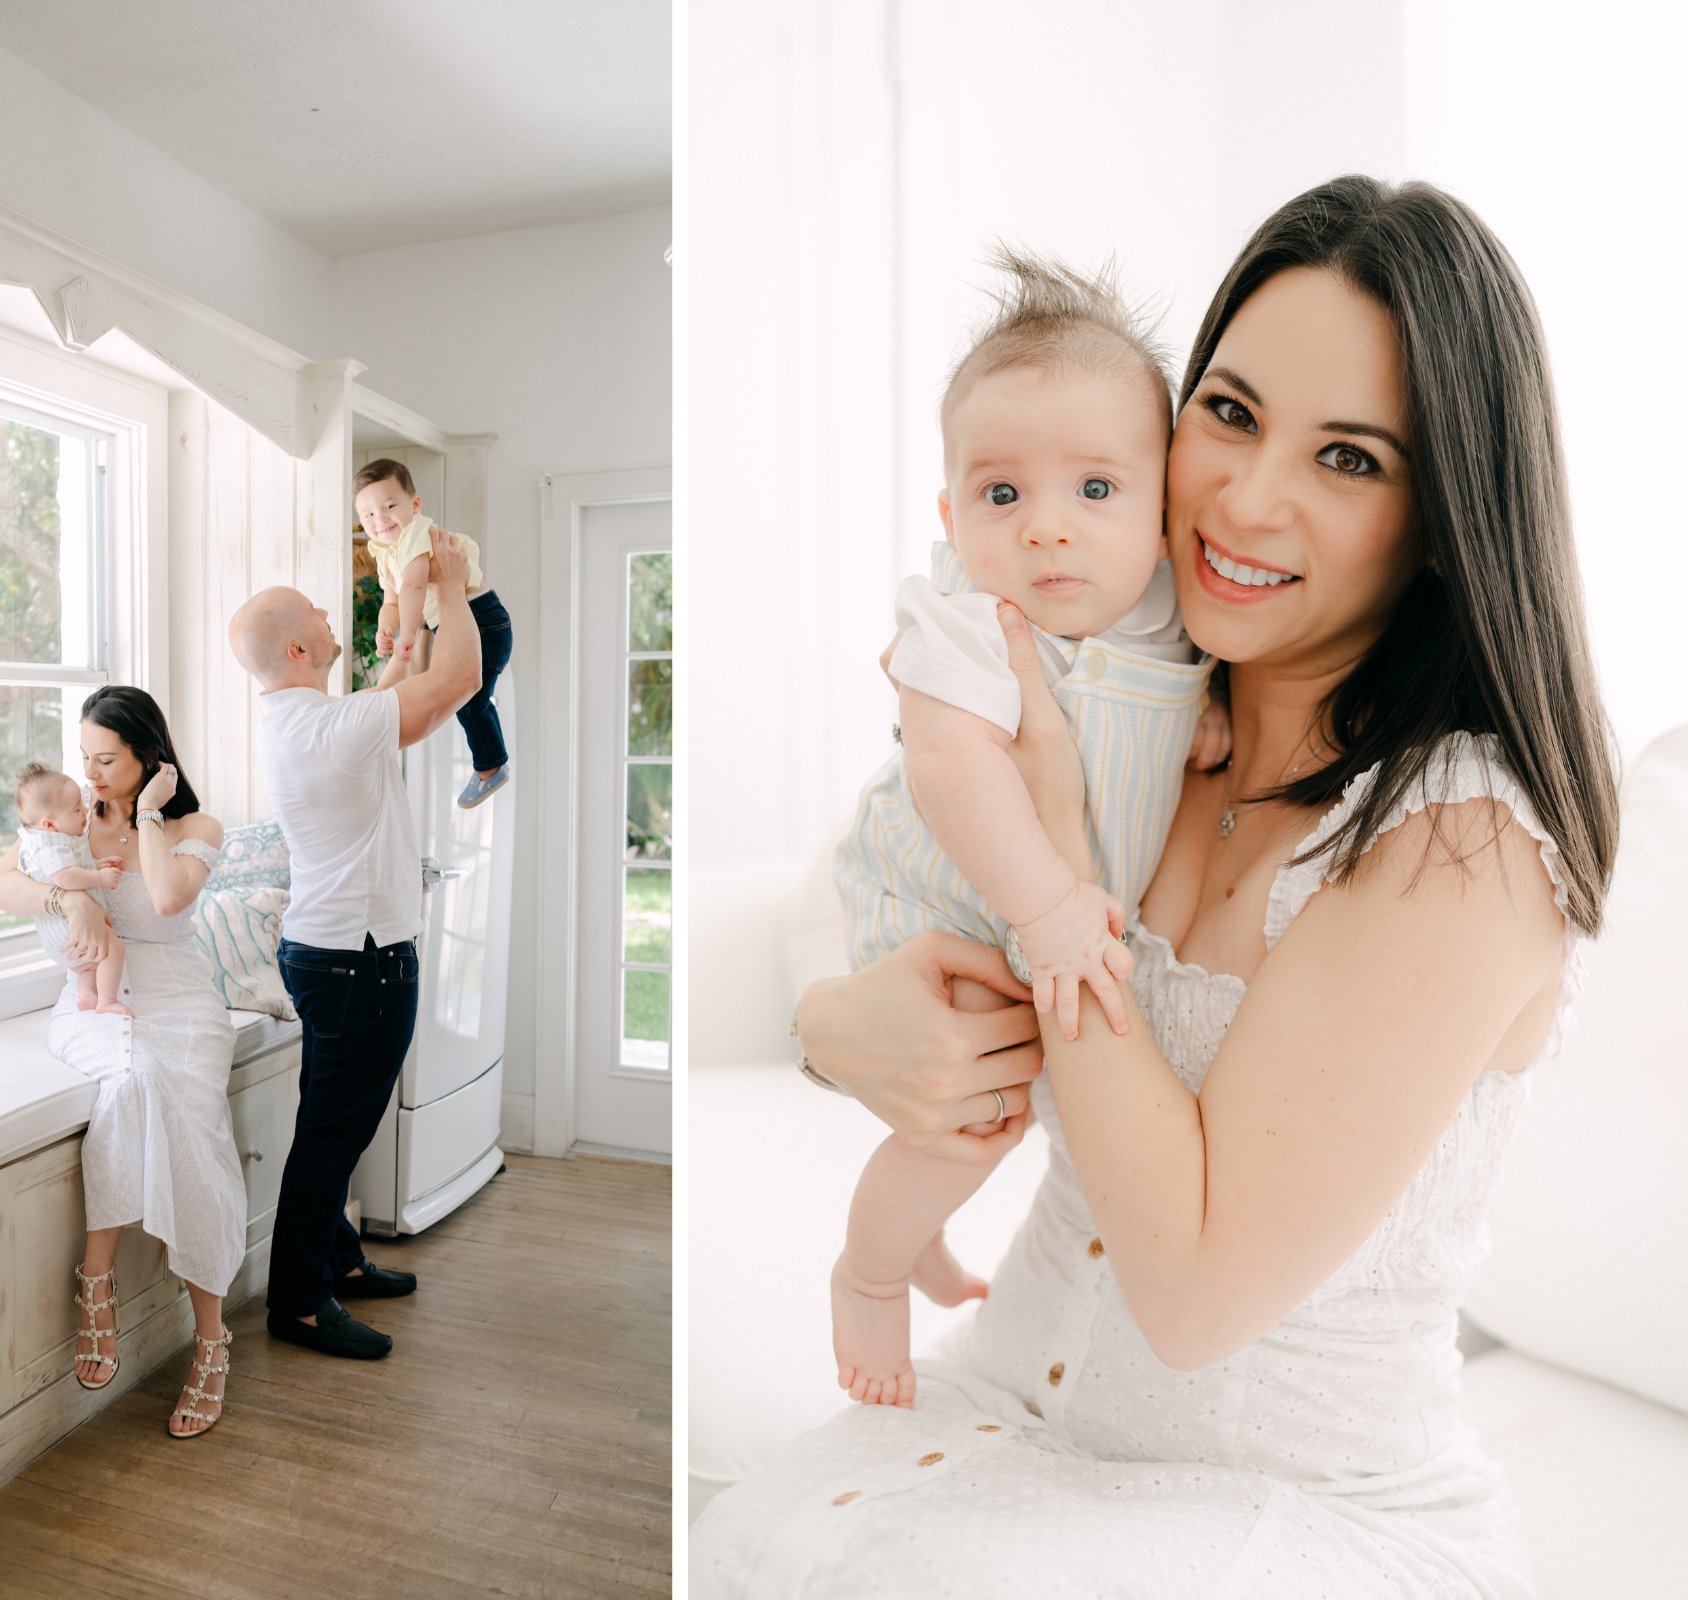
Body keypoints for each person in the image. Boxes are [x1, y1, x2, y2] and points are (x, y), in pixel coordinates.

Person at [692, 176, 1616, 1598]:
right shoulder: (1150, 699)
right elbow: (879, 884)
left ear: (1445, 520)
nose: (1248, 498)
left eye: (1351, 459)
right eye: (1231, 415)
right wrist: (835, 1019)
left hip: (1291, 1508)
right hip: (1007, 1405)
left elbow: (1188, 1300)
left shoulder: (1459, 843)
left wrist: (1055, 853)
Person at [830, 251, 1228, 1410]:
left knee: (999, 1118)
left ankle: (923, 1246)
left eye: (1094, 491)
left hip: (1043, 920)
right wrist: (1048, 906)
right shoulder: (962, 617)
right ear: (952, 513)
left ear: (1161, 508)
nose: (1047, 531)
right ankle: (866, 1272)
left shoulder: (1166, 612)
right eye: (1002, 496)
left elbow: (1158, 725)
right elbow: (953, 768)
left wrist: (1198, 723)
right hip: (945, 904)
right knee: (970, 1123)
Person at [226, 525, 481, 1360]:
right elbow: (460, 680)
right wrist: (452, 588)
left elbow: (393, 692)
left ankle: (334, 1259)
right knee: (333, 1135)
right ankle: (299, 1303)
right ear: (298, 646)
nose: (335, 612)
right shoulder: (330, 729)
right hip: (356, 963)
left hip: (331, 953)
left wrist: (405, 628)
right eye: (318, 612)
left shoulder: (307, 719)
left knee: (332, 1124)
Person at [0, 687, 244, 1439]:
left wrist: (151, 816)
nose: (89, 774)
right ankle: (96, 1284)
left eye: (107, 759)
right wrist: (73, 903)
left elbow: (164, 900)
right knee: (130, 1079)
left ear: (148, 756)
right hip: (94, 998)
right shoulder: (68, 821)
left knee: (178, 1108)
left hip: (180, 999)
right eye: (84, 756)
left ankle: (211, 1342)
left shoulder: (195, 823)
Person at [357, 458, 514, 807]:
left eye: (388, 506)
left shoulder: (415, 534)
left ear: (415, 504)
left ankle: (491, 766)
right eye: (367, 514)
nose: (378, 519)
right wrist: (388, 626)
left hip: (480, 619)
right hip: (462, 622)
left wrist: (407, 635)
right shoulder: (385, 551)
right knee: (468, 699)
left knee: (469, 701)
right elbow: (394, 599)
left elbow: (414, 586)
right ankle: (490, 762)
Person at [12, 763, 130, 1017]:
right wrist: (99, 877)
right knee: (114, 950)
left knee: (88, 967)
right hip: (65, 928)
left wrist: (95, 864)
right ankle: (107, 1001)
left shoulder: (47, 837)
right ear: (49, 824)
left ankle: (88, 995)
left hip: (59, 934)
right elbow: (66, 877)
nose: (86, 810)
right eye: (77, 809)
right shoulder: (48, 844)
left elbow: (70, 868)